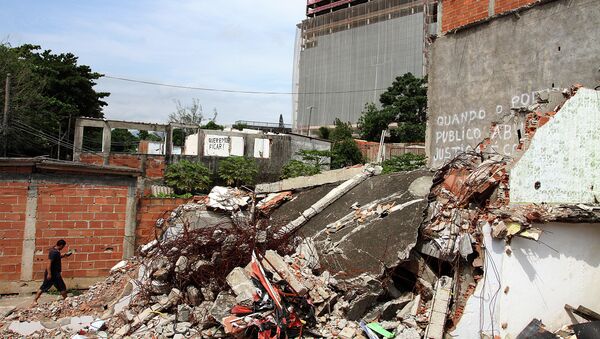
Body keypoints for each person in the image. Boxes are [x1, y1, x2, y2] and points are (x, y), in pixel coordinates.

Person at [32, 239, 72, 306]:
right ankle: (34, 300)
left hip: (55, 273)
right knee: (45, 287)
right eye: (63, 246)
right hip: (53, 274)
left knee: (61, 286)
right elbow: (49, 263)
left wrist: (64, 255)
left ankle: (66, 299)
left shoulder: (56, 251)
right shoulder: (54, 252)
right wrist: (49, 273)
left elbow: (57, 258)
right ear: (61, 245)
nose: (63, 248)